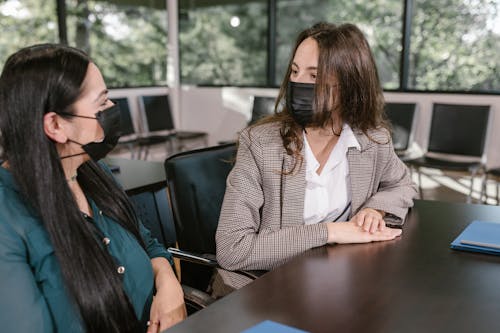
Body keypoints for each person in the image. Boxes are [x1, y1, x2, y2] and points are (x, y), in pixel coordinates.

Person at [215, 22, 418, 292]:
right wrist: (332, 231)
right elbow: (232, 249)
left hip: (340, 279)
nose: (298, 83)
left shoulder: (372, 140)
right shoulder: (261, 144)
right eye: (295, 72)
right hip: (269, 288)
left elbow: (402, 184)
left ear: (349, 83)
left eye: (314, 75)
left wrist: (374, 208)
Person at [0, 44, 186, 333]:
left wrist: (169, 286)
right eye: (101, 104)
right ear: (56, 125)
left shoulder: (93, 171)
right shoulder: (7, 215)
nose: (112, 111)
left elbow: (148, 244)